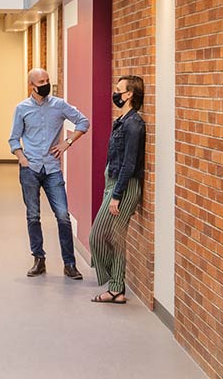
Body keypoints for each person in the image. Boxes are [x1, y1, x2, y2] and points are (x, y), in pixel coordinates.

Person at [8, 68, 90, 279]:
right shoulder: (22, 108)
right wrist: (22, 159)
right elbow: (13, 138)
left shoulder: (59, 105)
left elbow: (83, 122)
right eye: (41, 81)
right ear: (32, 85)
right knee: (33, 216)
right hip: (30, 169)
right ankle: (39, 259)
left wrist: (67, 142)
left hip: (52, 169)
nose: (45, 84)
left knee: (63, 216)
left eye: (47, 80)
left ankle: (69, 264)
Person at [88, 74, 146, 305]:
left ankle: (114, 284)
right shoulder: (122, 120)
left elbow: (129, 163)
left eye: (119, 89)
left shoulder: (134, 124)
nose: (115, 92)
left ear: (129, 94)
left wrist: (117, 195)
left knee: (97, 236)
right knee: (116, 238)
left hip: (124, 188)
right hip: (113, 183)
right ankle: (117, 290)